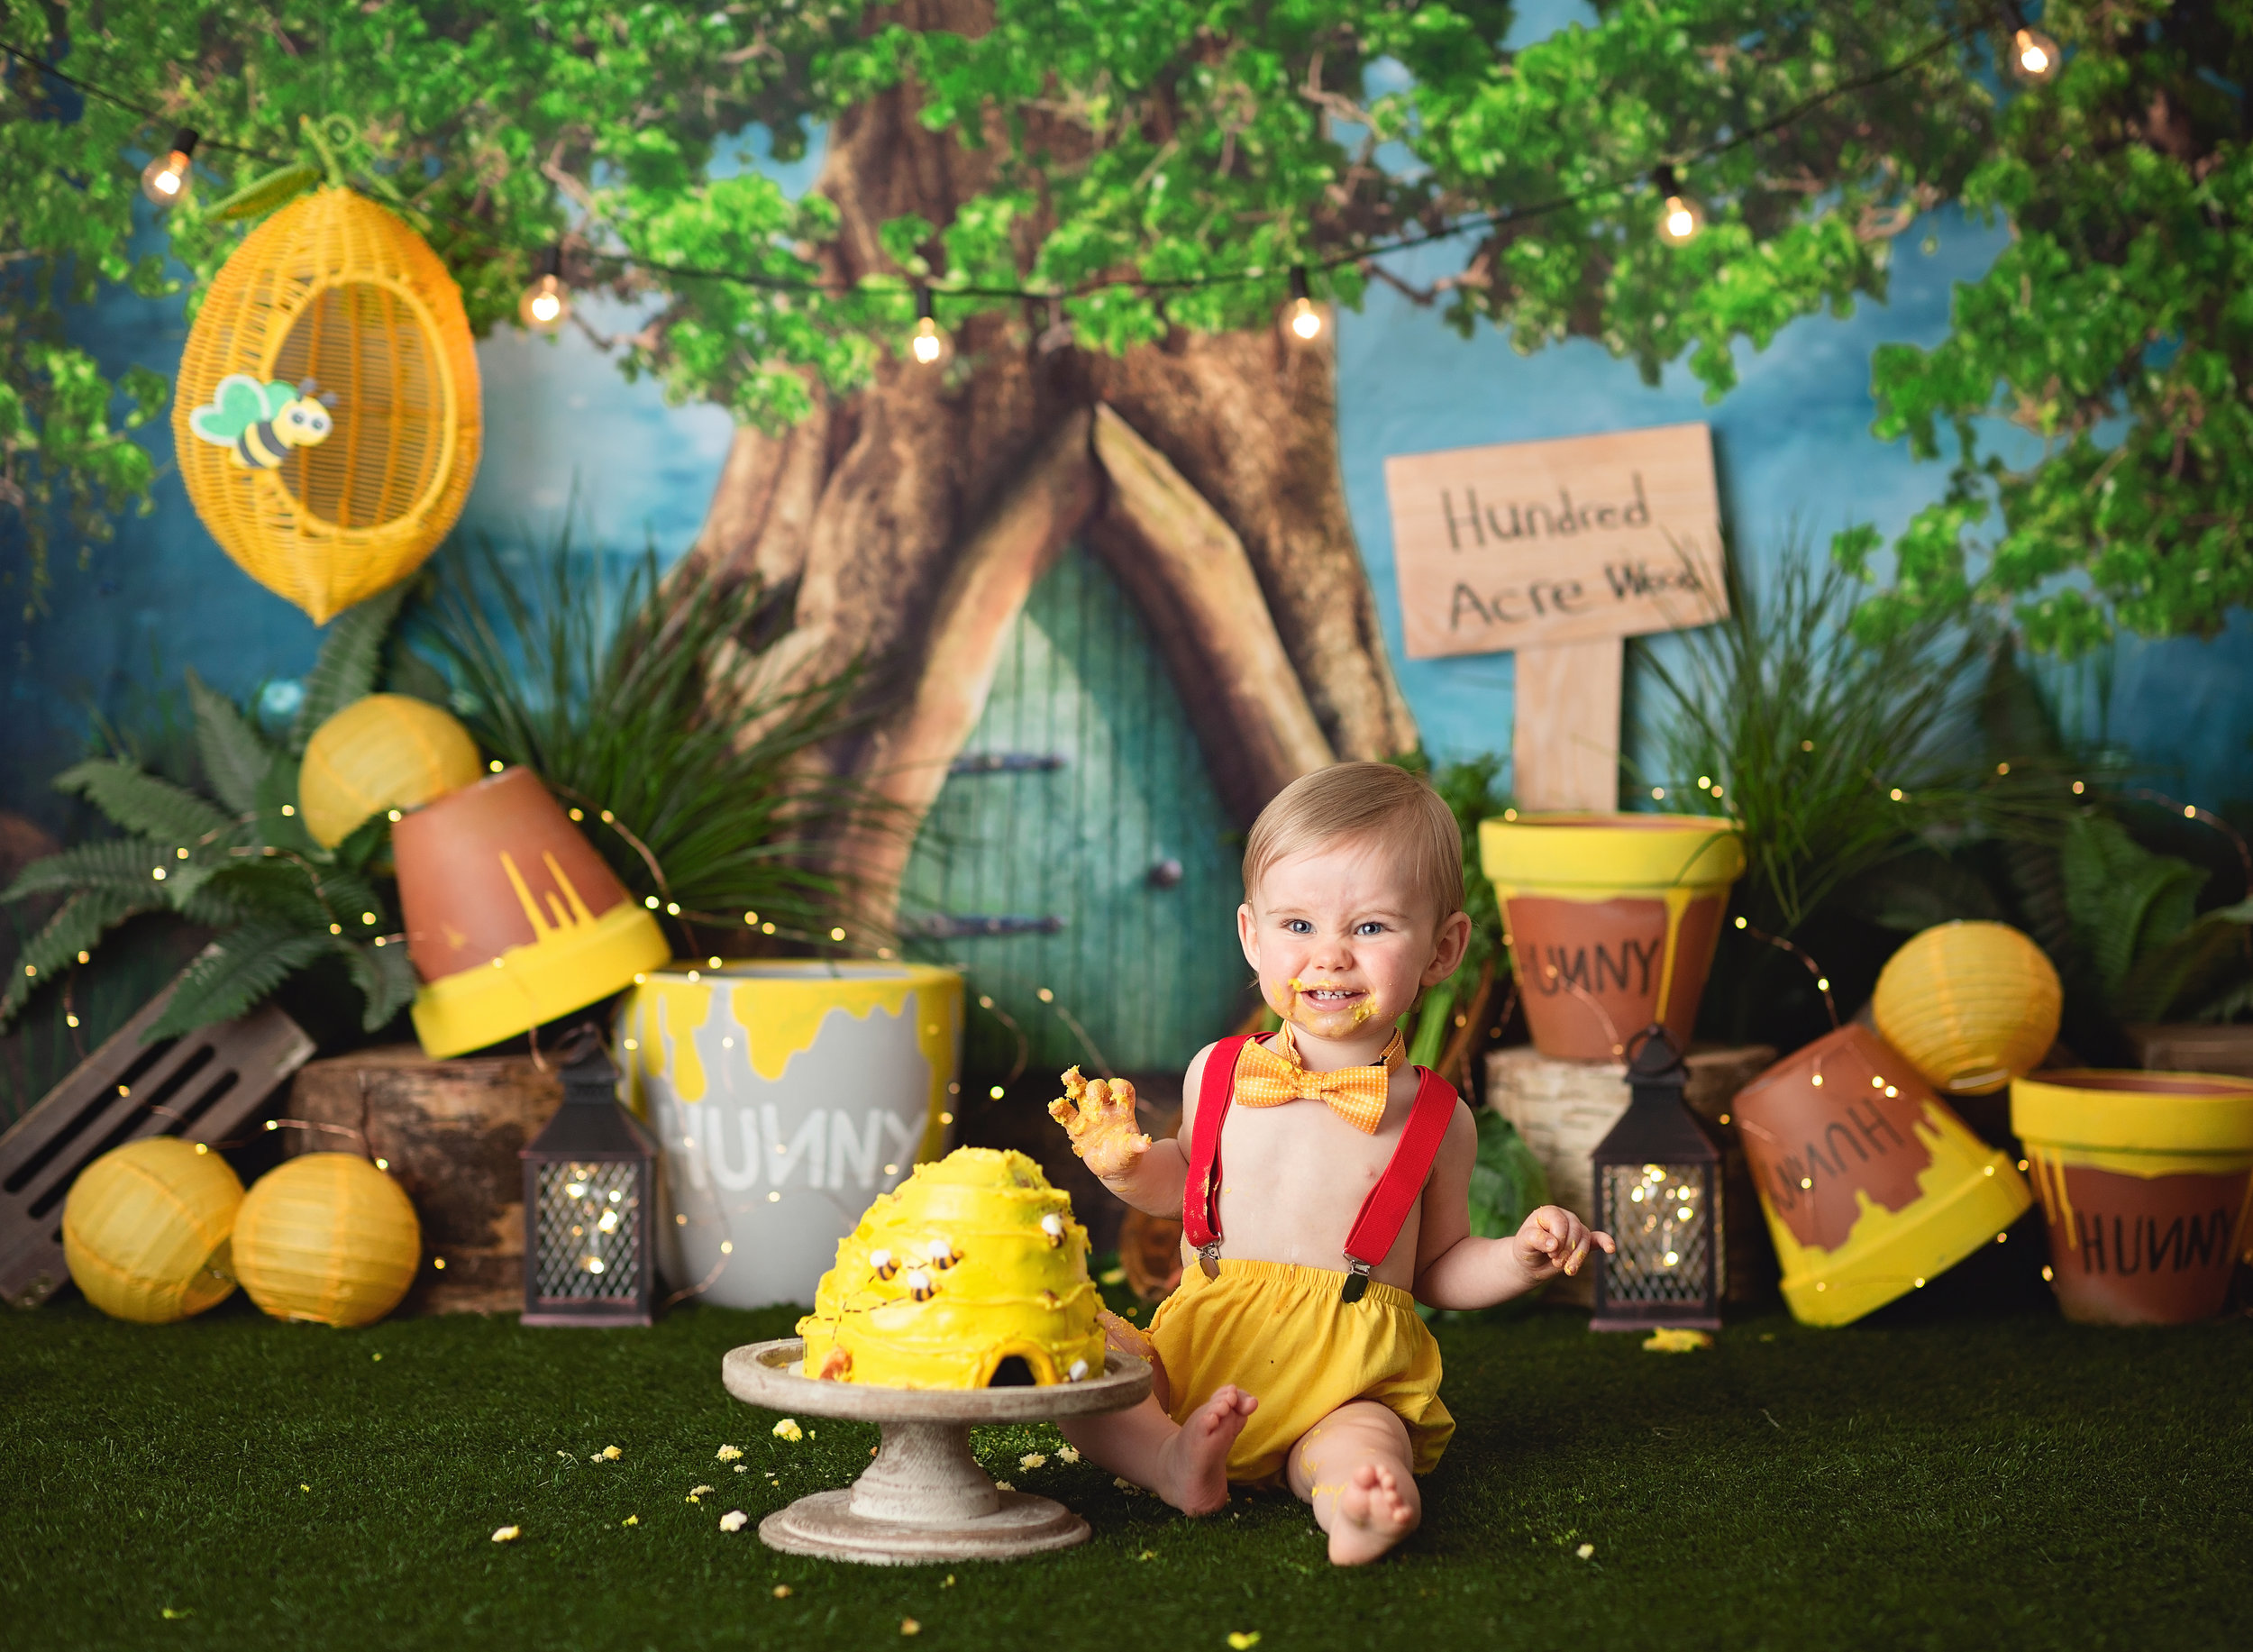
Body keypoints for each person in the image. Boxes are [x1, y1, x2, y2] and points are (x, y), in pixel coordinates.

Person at [1047, 761, 1614, 1565]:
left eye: (1372, 928)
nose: (1331, 957)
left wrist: (1519, 1257)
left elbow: (1439, 1267)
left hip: (1344, 1370)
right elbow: (1183, 1185)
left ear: (1442, 948)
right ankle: (1173, 1461)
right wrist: (1123, 1167)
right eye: (1299, 926)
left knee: (1364, 1440)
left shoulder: (1438, 1118)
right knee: (1084, 1385)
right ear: (1252, 935)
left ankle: (1356, 1505)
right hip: (1201, 1348)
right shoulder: (1218, 1070)